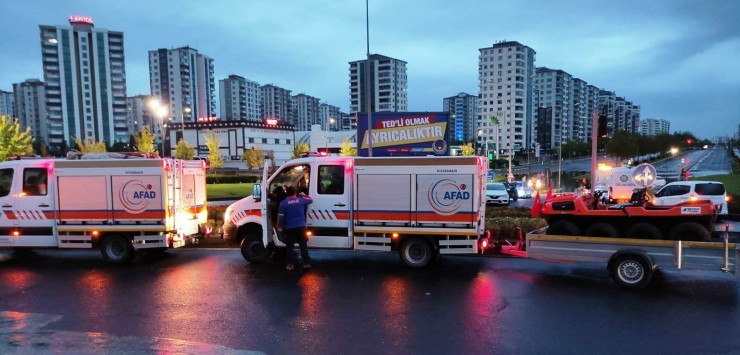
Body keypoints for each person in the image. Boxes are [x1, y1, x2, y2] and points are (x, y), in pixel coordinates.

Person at [277, 186, 313, 271]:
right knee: (303, 245)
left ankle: (290, 265)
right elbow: (310, 199)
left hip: (289, 228)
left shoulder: (283, 203)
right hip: (301, 227)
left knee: (290, 246)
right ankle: (306, 263)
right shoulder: (301, 200)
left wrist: (280, 227)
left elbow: (281, 217)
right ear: (295, 192)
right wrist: (304, 195)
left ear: (286, 193)